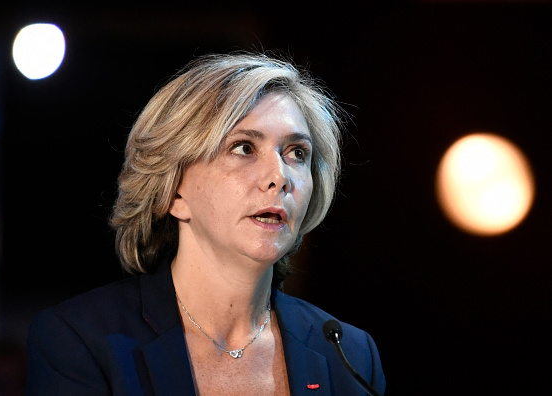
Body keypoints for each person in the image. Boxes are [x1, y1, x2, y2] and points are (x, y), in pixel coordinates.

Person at [25, 51, 386, 396]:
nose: (279, 176)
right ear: (174, 192)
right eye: (243, 147)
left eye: (296, 153)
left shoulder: (349, 355)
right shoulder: (81, 341)